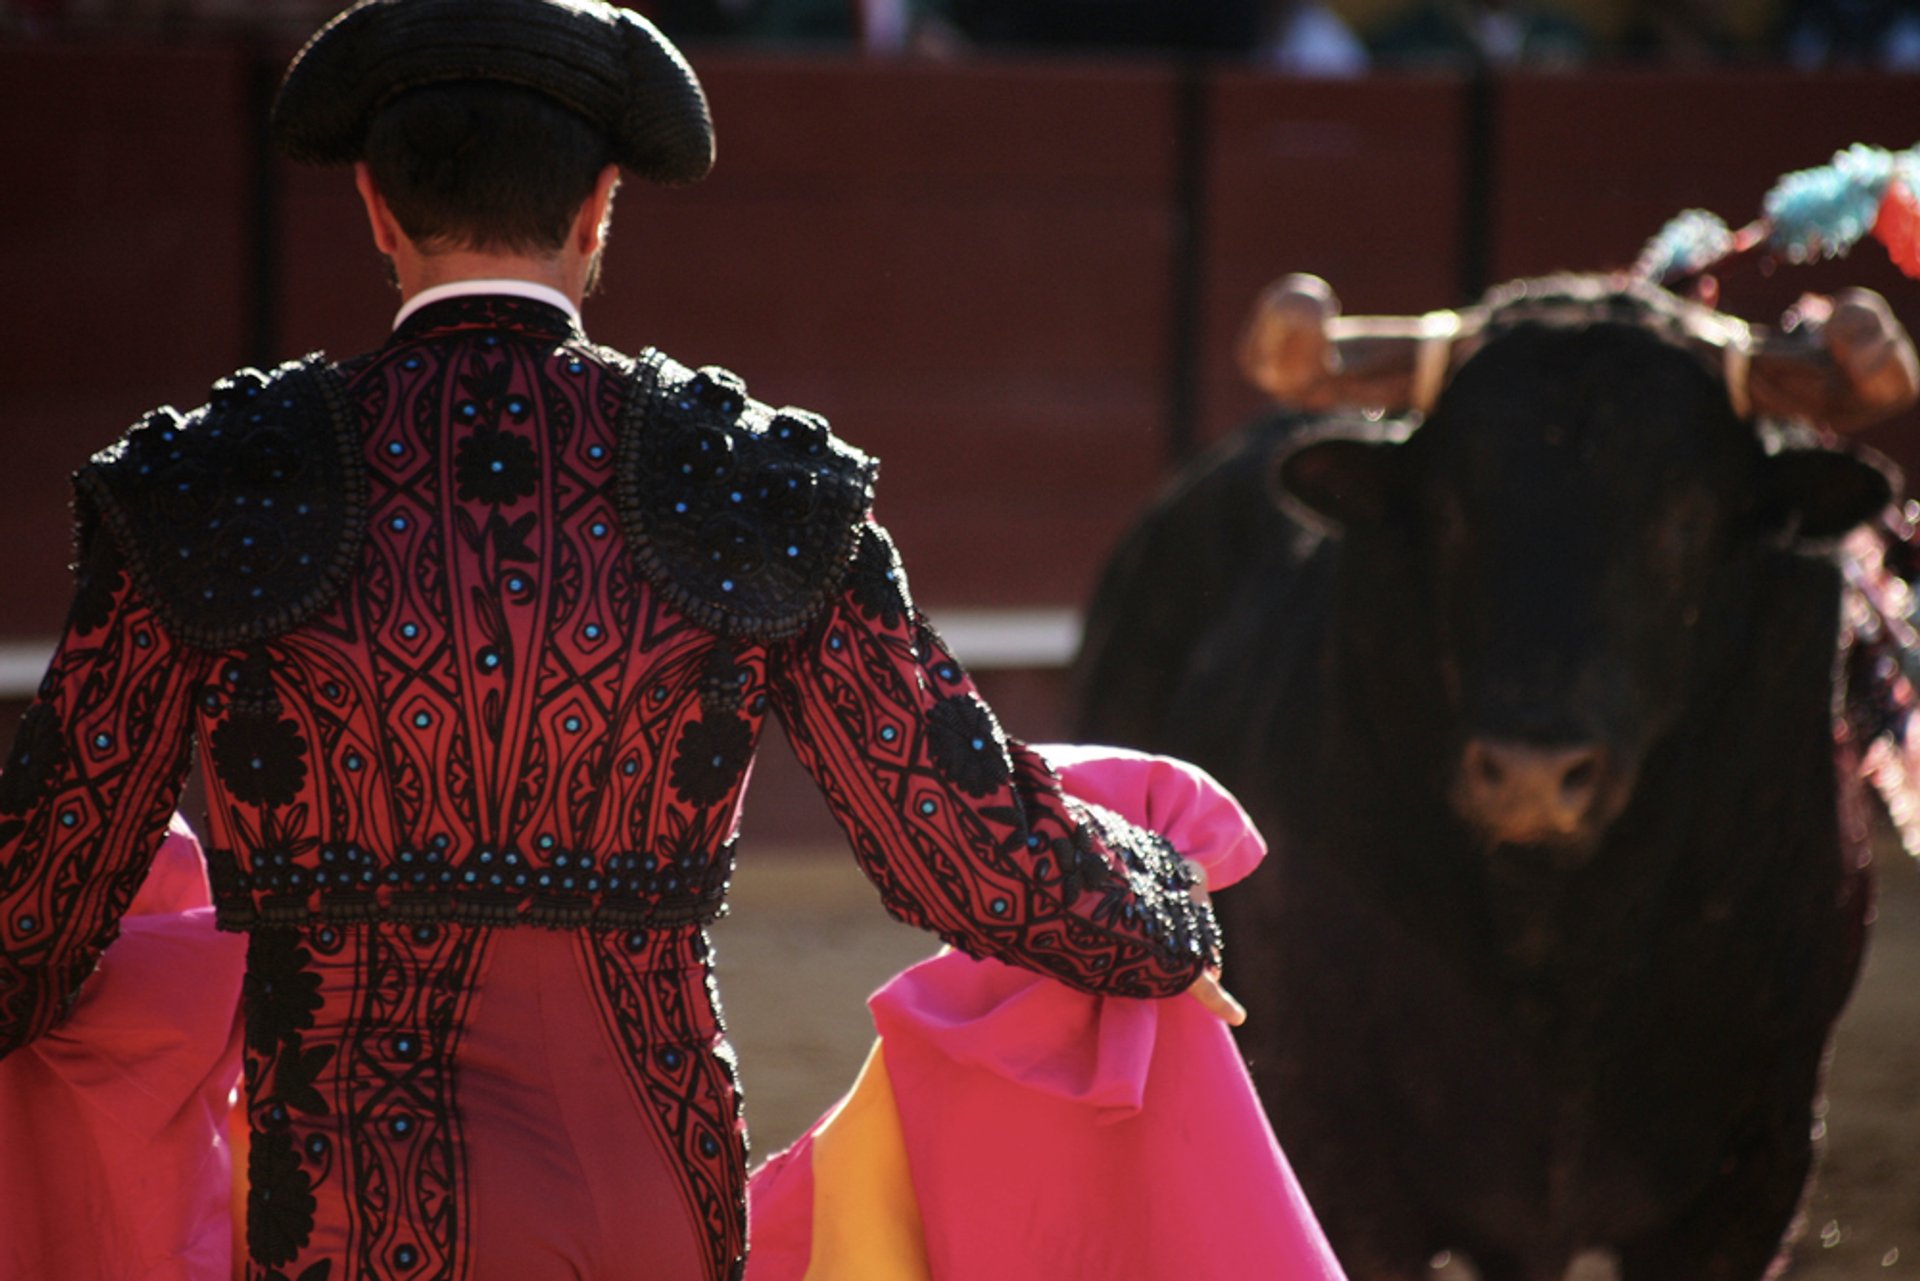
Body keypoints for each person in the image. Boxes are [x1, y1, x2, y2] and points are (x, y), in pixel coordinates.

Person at [0, 1, 1234, 1277]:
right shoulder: (747, 479)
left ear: (373, 207)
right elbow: (965, 851)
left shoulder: (213, 483)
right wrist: (1162, 918)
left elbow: (33, 913)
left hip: (341, 1222)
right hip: (643, 1212)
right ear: (597, 208)